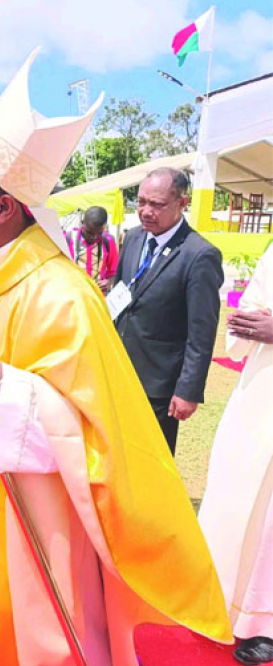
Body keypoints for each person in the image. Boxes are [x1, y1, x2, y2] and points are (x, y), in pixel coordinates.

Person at [0, 51, 231, 666]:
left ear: (5, 204)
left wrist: (3, 384)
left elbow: (86, 419)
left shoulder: (58, 291)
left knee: (14, 618)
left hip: (24, 506)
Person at [112, 168, 223, 455]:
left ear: (182, 203)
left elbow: (202, 332)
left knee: (150, 459)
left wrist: (188, 390)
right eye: (141, 202)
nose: (146, 211)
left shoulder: (199, 255)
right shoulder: (134, 237)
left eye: (157, 204)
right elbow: (120, 298)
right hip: (118, 370)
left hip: (158, 384)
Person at [199, 245, 273, 666]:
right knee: (237, 491)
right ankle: (224, 600)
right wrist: (246, 322)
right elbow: (254, 301)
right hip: (259, 389)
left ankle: (265, 623)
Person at [66, 206, 119, 293]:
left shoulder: (108, 241)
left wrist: (109, 282)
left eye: (99, 233)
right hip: (73, 296)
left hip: (97, 298)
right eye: (89, 232)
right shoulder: (67, 239)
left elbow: (114, 271)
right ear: (82, 223)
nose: (94, 237)